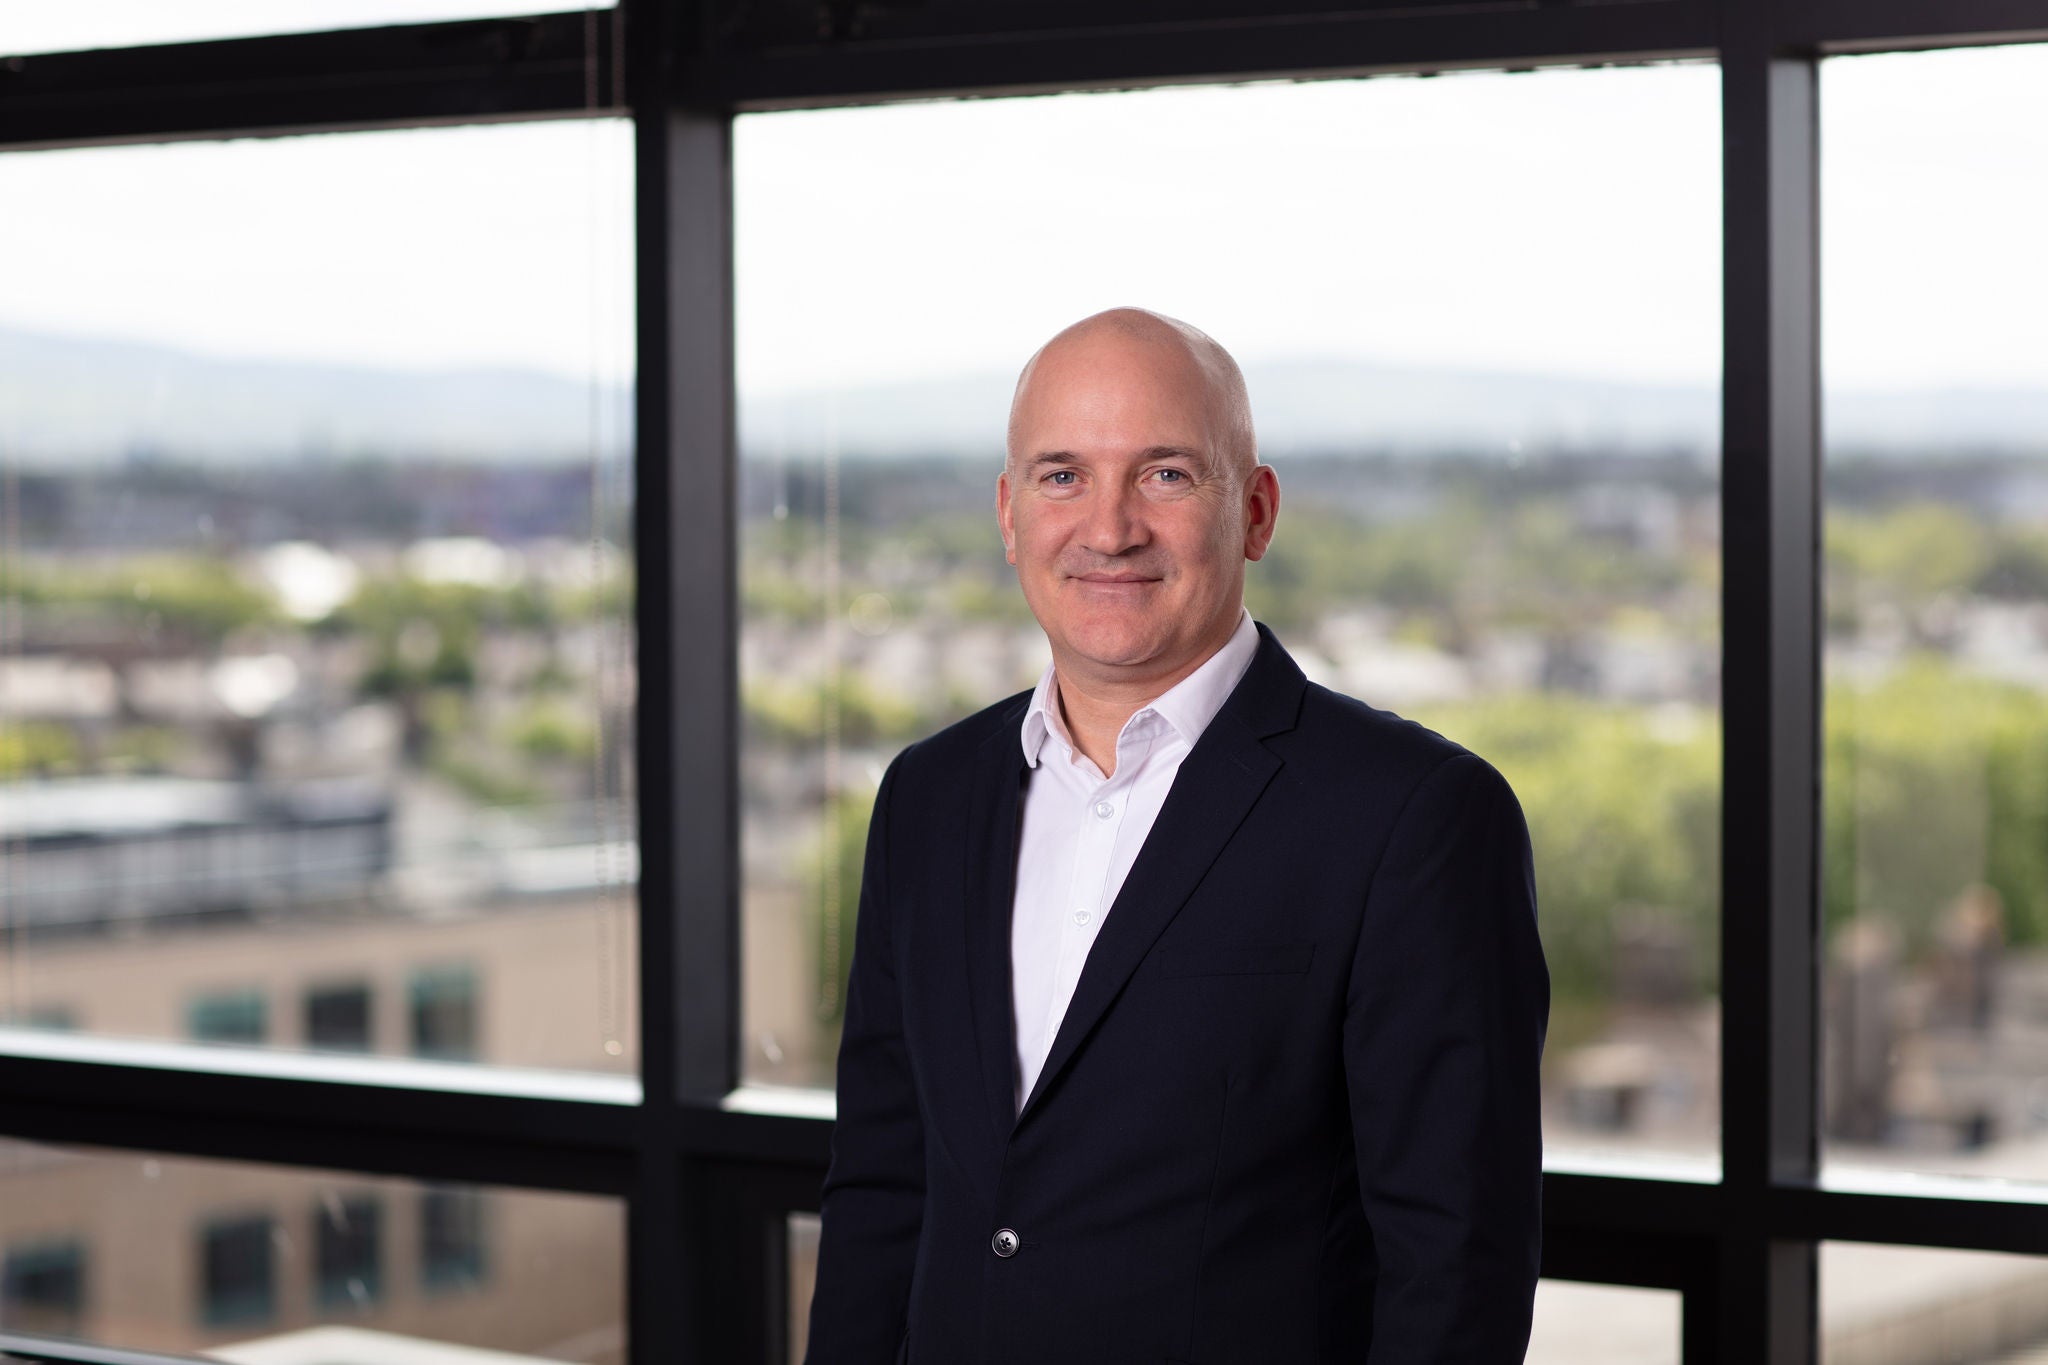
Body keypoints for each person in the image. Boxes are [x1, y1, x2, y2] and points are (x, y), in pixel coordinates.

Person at [805, 307, 1549, 1365]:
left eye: (1164, 475)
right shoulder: (927, 799)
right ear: (1009, 514)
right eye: (1063, 476)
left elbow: (1455, 1268)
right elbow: (883, 1189)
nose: (1108, 529)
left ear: (1255, 510)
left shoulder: (1416, 817)